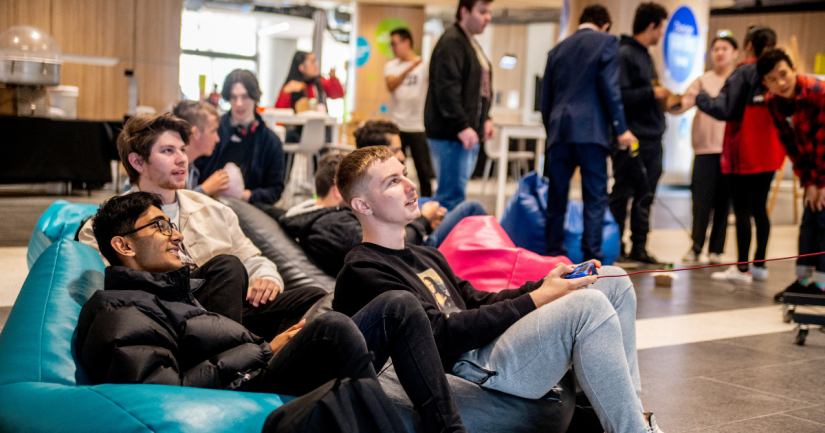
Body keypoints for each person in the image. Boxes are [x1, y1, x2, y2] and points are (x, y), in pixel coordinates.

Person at [332, 146, 666, 433]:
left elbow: (476, 300)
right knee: (588, 307)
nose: (410, 186)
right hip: (468, 366)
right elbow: (436, 336)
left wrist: (546, 284)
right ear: (363, 205)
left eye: (405, 174)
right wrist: (538, 299)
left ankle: (634, 417)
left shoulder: (425, 255)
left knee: (614, 279)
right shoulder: (363, 269)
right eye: (393, 182)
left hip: (488, 347)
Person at [77, 192, 467, 433]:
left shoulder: (174, 291)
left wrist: (270, 345)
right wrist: (265, 350)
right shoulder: (120, 312)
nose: (176, 234)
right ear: (123, 246)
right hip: (246, 385)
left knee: (396, 305)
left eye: (172, 224)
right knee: (332, 328)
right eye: (161, 227)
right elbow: (164, 396)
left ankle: (448, 429)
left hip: (257, 368)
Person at [79, 113, 323, 341]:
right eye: (168, 151)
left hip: (231, 311)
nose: (181, 158)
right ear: (137, 161)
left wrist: (266, 278)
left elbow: (253, 259)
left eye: (182, 150)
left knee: (313, 298)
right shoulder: (105, 227)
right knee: (226, 267)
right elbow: (109, 291)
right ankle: (235, 358)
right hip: (170, 317)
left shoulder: (214, 209)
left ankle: (258, 355)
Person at [280, 122, 486, 277]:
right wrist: (423, 221)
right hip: (413, 249)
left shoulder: (327, 217)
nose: (410, 184)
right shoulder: (333, 224)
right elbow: (385, 243)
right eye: (393, 180)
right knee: (469, 209)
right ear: (340, 193)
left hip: (414, 248)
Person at [541, 4, 637, 263]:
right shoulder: (607, 42)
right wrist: (621, 128)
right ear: (605, 25)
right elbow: (610, 89)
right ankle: (591, 257)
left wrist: (551, 130)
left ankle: (553, 256)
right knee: (594, 198)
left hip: (559, 132)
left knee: (556, 198)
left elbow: (545, 99)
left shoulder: (557, 49)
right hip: (592, 132)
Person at [695, 25, 785, 283]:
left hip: (744, 150)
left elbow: (724, 109)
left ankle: (742, 268)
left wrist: (702, 97)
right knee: (760, 209)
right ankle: (760, 265)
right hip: (770, 152)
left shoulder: (744, 71)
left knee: (743, 209)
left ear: (747, 46)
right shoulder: (777, 73)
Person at [759, 49, 825, 300]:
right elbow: (791, 146)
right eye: (772, 80)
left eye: (784, 74)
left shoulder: (819, 93)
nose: (781, 83)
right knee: (809, 222)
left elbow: (823, 141)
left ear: (794, 68)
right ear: (765, 83)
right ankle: (804, 280)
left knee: (823, 222)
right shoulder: (773, 102)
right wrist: (809, 182)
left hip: (823, 168)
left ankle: (822, 285)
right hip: (814, 172)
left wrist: (818, 183)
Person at [609, 2, 669, 266]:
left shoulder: (646, 55)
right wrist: (651, 93)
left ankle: (640, 247)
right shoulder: (624, 54)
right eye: (661, 28)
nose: (661, 35)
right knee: (622, 193)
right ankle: (615, 245)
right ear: (651, 25)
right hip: (632, 138)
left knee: (646, 195)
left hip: (653, 138)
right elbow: (618, 97)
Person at [671, 34, 739, 265]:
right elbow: (683, 103)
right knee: (701, 202)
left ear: (735, 53)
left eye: (725, 48)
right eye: (716, 48)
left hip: (730, 152)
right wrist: (666, 102)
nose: (719, 53)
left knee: (723, 203)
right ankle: (696, 247)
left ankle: (716, 251)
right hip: (704, 151)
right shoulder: (702, 81)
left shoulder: (739, 80)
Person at [424, 0, 495, 211]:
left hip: (464, 133)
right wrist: (462, 125)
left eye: (489, 12)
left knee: (454, 195)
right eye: (482, 12)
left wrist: (487, 118)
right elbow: (446, 90)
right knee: (450, 199)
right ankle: (439, 243)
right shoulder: (452, 42)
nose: (487, 17)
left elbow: (478, 90)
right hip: (451, 134)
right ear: (464, 12)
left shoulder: (470, 42)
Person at [195, 69, 286, 205]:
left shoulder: (271, 141)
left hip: (250, 206)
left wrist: (244, 195)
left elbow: (276, 190)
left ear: (255, 98)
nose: (238, 103)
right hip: (210, 203)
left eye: (244, 97)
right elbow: (195, 173)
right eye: (233, 97)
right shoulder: (212, 132)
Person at [385, 28, 435, 197]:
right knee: (395, 169)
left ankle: (428, 203)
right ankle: (396, 200)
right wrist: (410, 67)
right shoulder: (391, 66)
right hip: (397, 125)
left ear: (407, 42)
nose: (392, 47)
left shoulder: (424, 65)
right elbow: (391, 85)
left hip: (417, 125)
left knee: (423, 171)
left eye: (394, 43)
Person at [171, 100, 229, 197]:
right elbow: (174, 208)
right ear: (195, 133)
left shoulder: (192, 170)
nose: (217, 139)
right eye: (213, 131)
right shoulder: (171, 168)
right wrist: (205, 189)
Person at [275, 51, 344, 113]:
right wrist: (286, 92)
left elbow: (339, 94)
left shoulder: (319, 82)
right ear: (302, 67)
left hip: (320, 125)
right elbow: (279, 112)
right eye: (312, 62)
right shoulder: (292, 85)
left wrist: (333, 79)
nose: (316, 65)